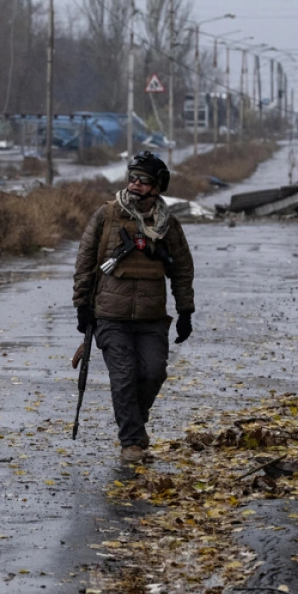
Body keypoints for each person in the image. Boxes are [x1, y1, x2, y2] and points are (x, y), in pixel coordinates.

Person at [72, 150, 195, 463]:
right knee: (124, 377)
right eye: (133, 178)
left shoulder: (167, 225)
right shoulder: (108, 215)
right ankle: (132, 442)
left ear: (157, 187)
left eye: (144, 180)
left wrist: (185, 312)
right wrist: (82, 307)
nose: (136, 185)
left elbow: (181, 267)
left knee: (153, 373)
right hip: (110, 317)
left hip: (151, 318)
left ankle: (134, 422)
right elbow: (85, 260)